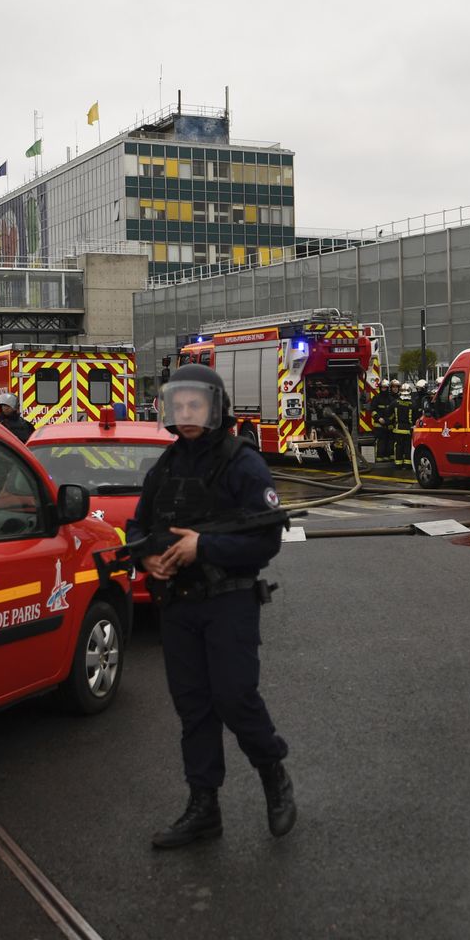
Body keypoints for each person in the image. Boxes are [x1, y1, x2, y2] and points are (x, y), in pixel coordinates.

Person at [128, 363, 296, 847]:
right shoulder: (167, 464)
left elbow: (266, 539)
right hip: (178, 607)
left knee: (235, 698)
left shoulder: (242, 462)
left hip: (229, 603)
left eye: (194, 405)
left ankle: (274, 776)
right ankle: (204, 808)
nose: (185, 414)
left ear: (215, 407)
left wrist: (204, 548)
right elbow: (138, 526)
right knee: (194, 709)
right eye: (178, 406)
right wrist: (148, 558)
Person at [392, 382, 416, 467]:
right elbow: (415, 417)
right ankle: (408, 464)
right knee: (408, 447)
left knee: (398, 447)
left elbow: (390, 414)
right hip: (408, 430)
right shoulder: (413, 404)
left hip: (398, 429)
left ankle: (398, 464)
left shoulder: (395, 403)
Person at [372, 379, 396, 463]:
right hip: (379, 425)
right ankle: (380, 458)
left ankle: (390, 457)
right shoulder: (376, 398)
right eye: (382, 388)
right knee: (381, 442)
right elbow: (373, 411)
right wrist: (379, 419)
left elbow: (394, 412)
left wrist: (389, 420)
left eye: (385, 388)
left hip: (389, 424)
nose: (384, 389)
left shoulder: (392, 399)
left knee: (390, 442)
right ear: (380, 388)